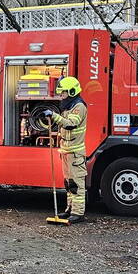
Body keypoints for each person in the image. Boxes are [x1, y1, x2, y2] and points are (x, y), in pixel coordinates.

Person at [43, 76, 88, 224]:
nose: (61, 95)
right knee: (69, 184)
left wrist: (54, 116)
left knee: (76, 184)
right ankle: (70, 209)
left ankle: (78, 213)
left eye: (63, 93)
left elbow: (70, 124)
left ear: (72, 92)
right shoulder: (68, 106)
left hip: (75, 153)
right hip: (66, 151)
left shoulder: (79, 107)